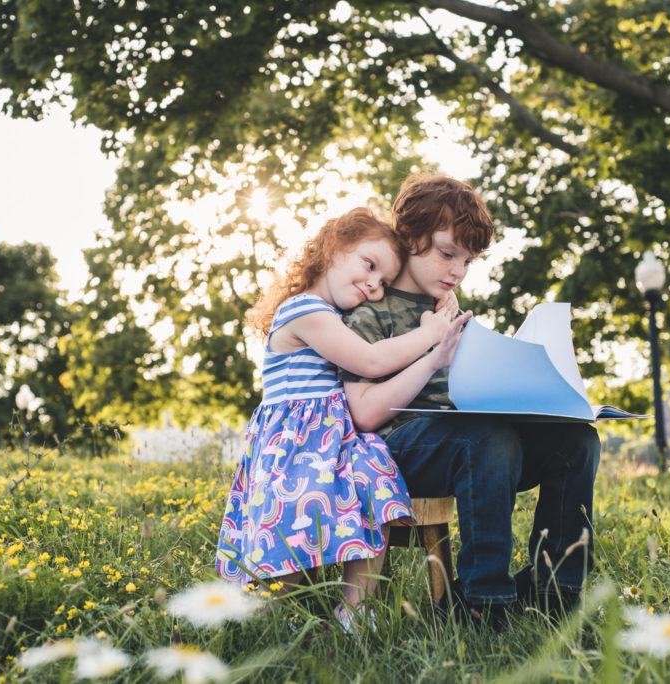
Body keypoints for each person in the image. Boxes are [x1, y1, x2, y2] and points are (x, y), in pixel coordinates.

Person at [340, 175, 601, 630]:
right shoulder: (369, 312)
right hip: (394, 453)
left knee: (576, 438)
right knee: (487, 437)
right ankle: (484, 600)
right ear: (411, 236)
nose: (458, 270)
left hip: (471, 443)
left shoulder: (452, 311)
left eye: (468, 260)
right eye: (447, 253)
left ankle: (557, 589)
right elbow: (361, 414)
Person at [215, 206, 471, 633]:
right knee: (293, 519)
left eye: (384, 282)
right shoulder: (304, 311)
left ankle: (358, 610)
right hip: (293, 449)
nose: (374, 285)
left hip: (331, 444)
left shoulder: (335, 316)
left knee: (376, 471)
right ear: (333, 249)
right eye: (369, 266)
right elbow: (370, 361)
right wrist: (430, 334)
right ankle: (269, 615)